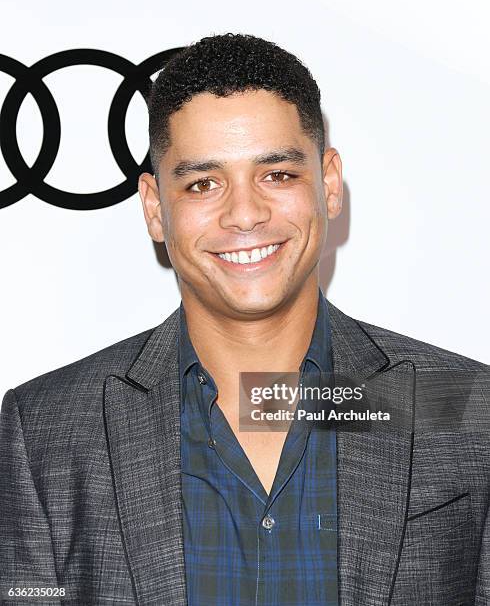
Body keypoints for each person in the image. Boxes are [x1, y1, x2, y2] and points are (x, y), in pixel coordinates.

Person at [0, 33, 488, 606]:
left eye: (276, 174)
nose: (245, 213)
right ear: (156, 208)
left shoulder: (464, 407)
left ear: (328, 184)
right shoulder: (47, 431)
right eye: (203, 183)